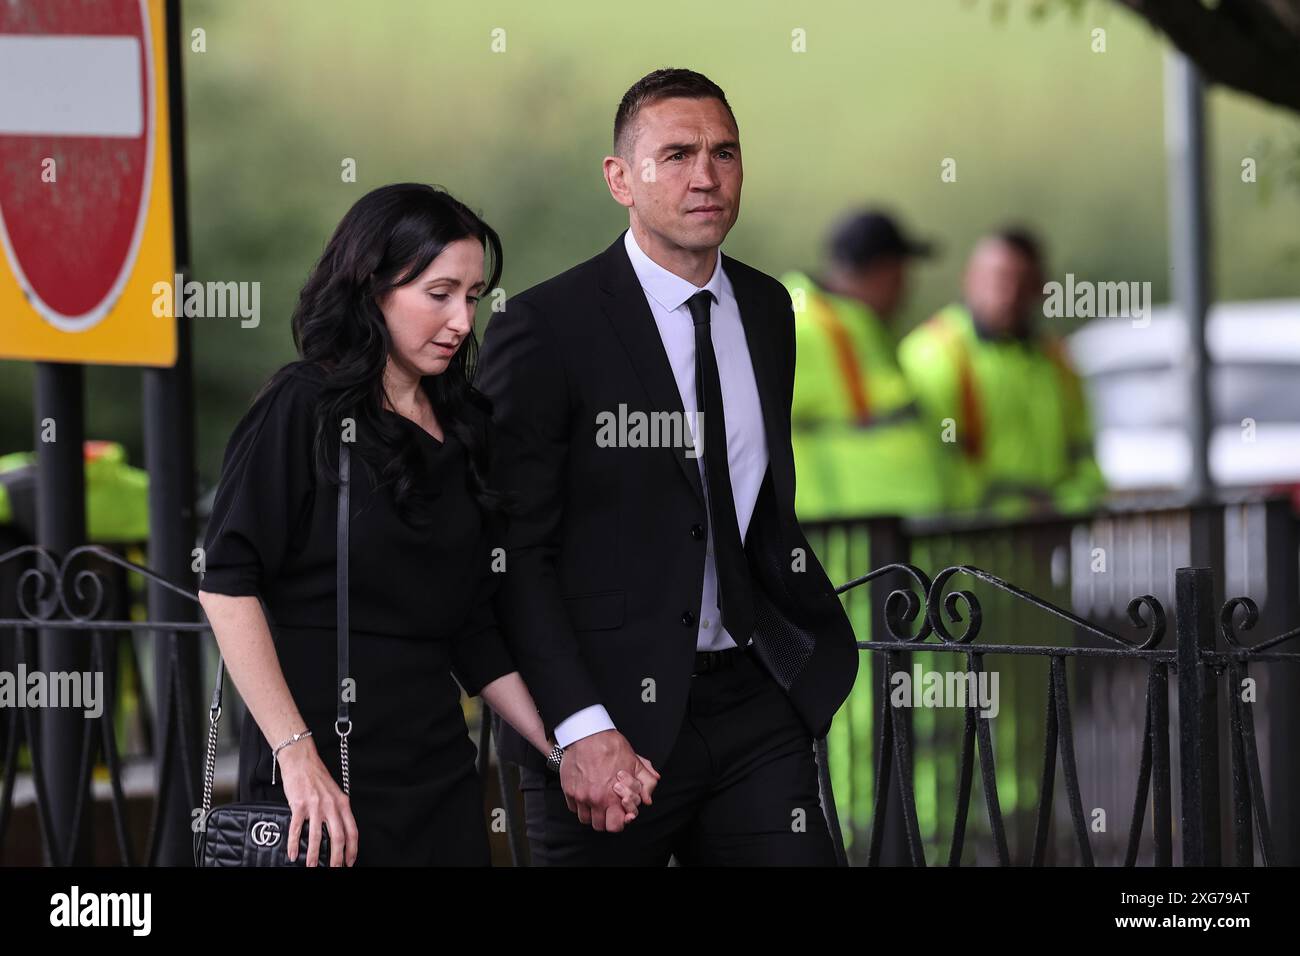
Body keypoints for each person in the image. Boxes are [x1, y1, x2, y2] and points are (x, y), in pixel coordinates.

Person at [197, 183, 650, 867]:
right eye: (439, 294)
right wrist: (296, 757)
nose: (463, 321)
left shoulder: (466, 426)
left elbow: (473, 630)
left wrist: (564, 750)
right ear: (370, 288)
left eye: (472, 296)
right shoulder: (303, 405)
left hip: (437, 771)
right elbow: (227, 584)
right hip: (324, 777)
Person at [478, 68, 858, 865]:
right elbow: (513, 554)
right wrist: (578, 727)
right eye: (677, 154)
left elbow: (752, 500)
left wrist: (800, 674)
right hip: (607, 729)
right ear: (620, 178)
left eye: (725, 153)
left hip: (755, 706)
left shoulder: (767, 309)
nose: (706, 176)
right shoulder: (547, 328)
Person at [899, 227, 1106, 517]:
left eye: (1023, 283)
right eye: (999, 279)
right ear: (968, 279)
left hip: (1044, 538)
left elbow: (1083, 454)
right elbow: (930, 461)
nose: (1009, 295)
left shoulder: (1057, 360)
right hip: (965, 541)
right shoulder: (934, 353)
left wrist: (1068, 507)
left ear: (1040, 288)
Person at [781, 210, 946, 519]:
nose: (907, 287)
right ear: (884, 272)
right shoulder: (800, 326)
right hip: (845, 552)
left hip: (892, 546)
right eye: (902, 272)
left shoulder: (857, 323)